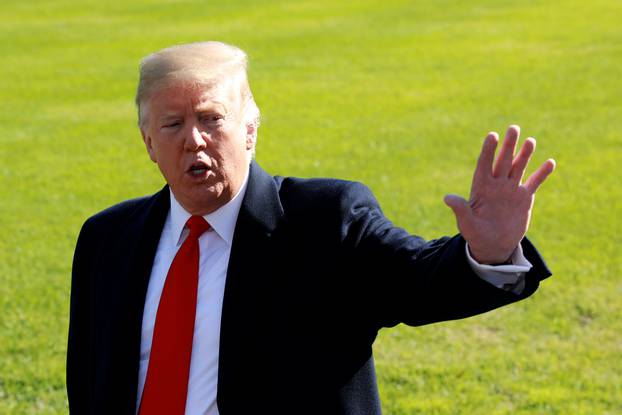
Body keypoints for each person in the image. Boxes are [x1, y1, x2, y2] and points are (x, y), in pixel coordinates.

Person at [67, 41, 556, 415]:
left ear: (250, 129)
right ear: (149, 143)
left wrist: (488, 252)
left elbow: (417, 279)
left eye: (212, 118)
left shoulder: (324, 220)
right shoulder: (107, 238)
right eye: (172, 125)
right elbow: (88, 378)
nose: (195, 140)